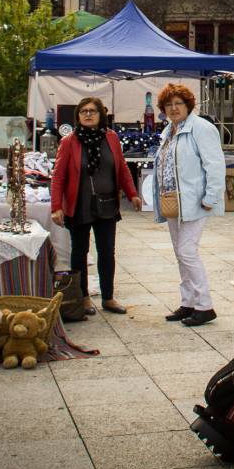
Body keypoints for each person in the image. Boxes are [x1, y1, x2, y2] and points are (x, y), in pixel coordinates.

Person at [51, 97, 141, 315]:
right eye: (83, 111)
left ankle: (108, 298)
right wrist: (56, 206)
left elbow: (121, 169)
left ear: (101, 115)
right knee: (79, 252)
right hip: (79, 204)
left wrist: (132, 194)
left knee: (107, 252)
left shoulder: (111, 138)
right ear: (78, 116)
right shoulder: (69, 141)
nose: (88, 114)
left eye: (92, 111)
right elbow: (58, 177)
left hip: (107, 204)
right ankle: (82, 298)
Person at [153, 83, 225, 327]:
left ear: (188, 105)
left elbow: (214, 164)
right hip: (173, 201)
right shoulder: (169, 131)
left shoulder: (201, 128)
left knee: (187, 251)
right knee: (180, 253)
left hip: (194, 201)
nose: (173, 108)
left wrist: (211, 197)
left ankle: (204, 305)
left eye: (178, 103)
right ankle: (188, 303)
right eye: (168, 105)